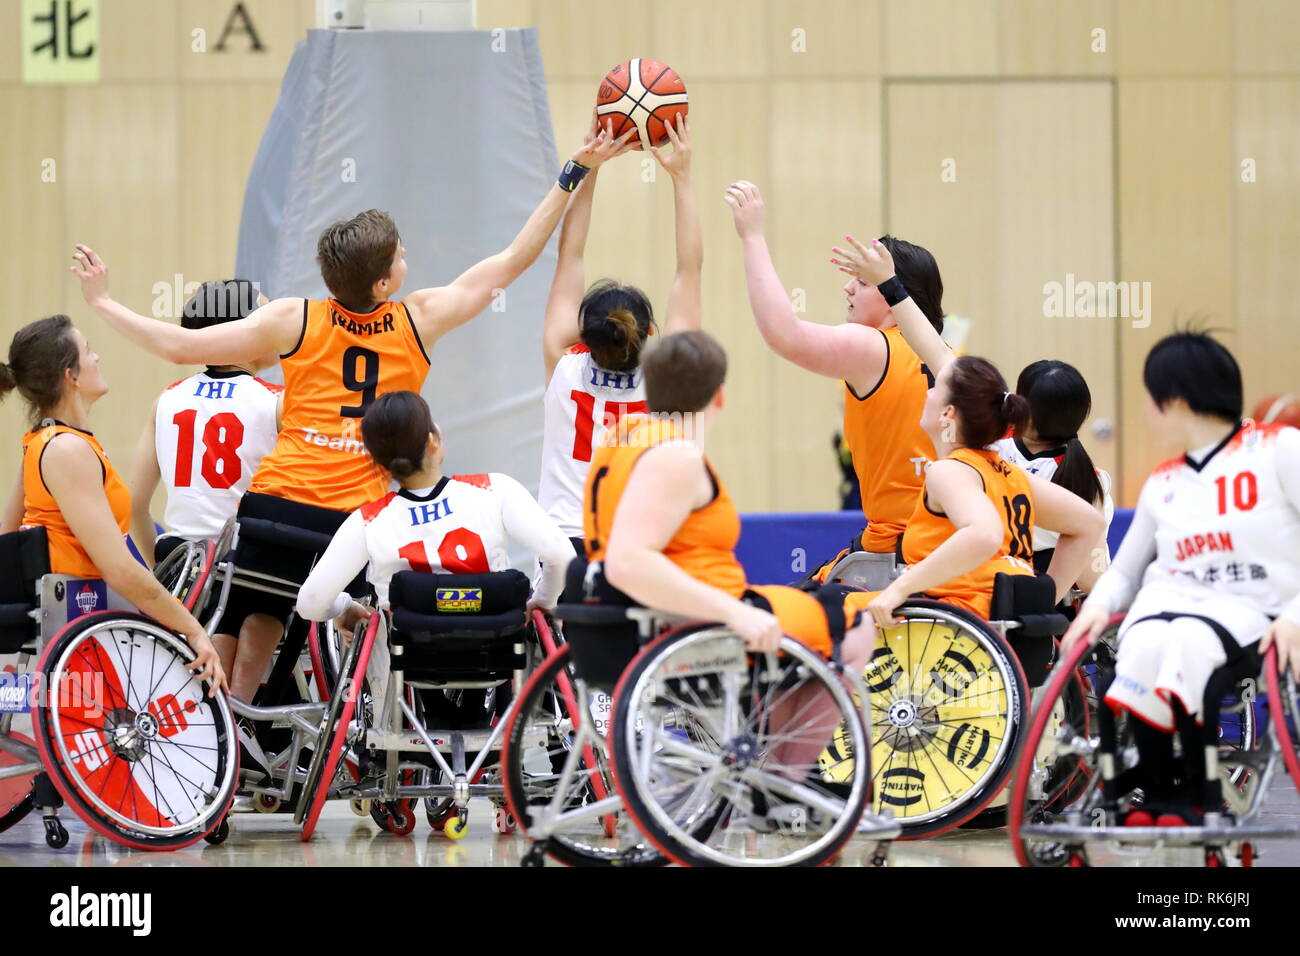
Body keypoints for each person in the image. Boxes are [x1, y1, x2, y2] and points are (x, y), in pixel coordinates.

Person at [70, 121, 635, 515]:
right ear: (384, 283)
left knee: (255, 632)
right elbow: (515, 259)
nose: (408, 257)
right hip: (361, 512)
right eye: (401, 255)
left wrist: (103, 302)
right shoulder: (418, 319)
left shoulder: (295, 318)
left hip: (281, 500)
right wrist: (573, 172)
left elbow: (176, 345)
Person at [588, 330, 878, 820]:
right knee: (857, 620)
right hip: (701, 620)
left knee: (814, 601)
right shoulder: (675, 457)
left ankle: (783, 775)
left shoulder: (621, 438)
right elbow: (630, 559)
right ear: (719, 395)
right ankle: (788, 784)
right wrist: (734, 614)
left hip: (668, 611)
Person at [1063, 332, 1300, 826]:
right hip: (1169, 604)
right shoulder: (1164, 480)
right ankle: (1153, 796)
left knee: (1188, 643)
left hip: (1250, 608)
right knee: (1142, 643)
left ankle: (1197, 795)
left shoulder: (1280, 448)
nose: (1146, 410)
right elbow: (1125, 571)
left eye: (1151, 397)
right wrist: (1094, 610)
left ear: (1175, 400)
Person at [824, 236, 1105, 626]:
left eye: (938, 388)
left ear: (949, 414)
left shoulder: (959, 469)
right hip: (1013, 605)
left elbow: (984, 535)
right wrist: (1044, 600)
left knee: (817, 613)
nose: (931, 388)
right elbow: (1089, 532)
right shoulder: (1010, 465)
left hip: (963, 611)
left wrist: (899, 590)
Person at [0, 315, 225, 692]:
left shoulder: (45, 440)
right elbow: (118, 569)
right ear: (71, 375)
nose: (98, 357)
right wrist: (192, 629)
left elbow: (8, 534)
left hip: (81, 607)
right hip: (83, 609)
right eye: (89, 351)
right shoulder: (67, 449)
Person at [725, 180, 942, 561]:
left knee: (790, 614)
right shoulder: (952, 359)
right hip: (948, 542)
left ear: (895, 294)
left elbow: (783, 334)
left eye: (862, 281)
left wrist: (753, 238)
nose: (847, 288)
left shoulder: (876, 347)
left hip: (902, 552)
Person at [537, 113, 697, 552]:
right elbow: (688, 272)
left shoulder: (562, 363)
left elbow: (569, 255)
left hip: (565, 545)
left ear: (581, 335)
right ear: (649, 331)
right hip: (638, 546)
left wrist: (590, 167)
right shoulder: (670, 377)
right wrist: (681, 179)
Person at [127, 279, 284, 703]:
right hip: (246, 569)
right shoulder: (277, 402)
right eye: (265, 318)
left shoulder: (167, 400)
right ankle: (244, 721)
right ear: (238, 332)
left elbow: (133, 506)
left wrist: (161, 573)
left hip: (182, 565)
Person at [295, 390, 574, 623]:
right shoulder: (494, 488)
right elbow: (561, 554)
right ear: (432, 441)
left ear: (379, 462)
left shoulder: (368, 520)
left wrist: (344, 607)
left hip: (410, 663)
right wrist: (541, 601)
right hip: (498, 649)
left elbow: (310, 603)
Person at [994, 359, 1114, 592]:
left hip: (1027, 594)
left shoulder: (990, 450)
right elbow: (1093, 579)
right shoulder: (1089, 478)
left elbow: (1092, 578)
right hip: (1033, 595)